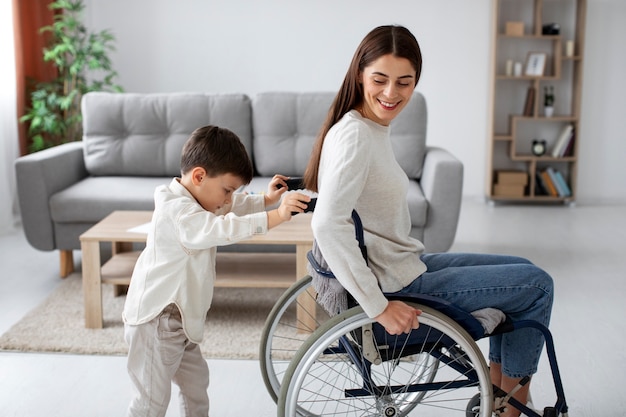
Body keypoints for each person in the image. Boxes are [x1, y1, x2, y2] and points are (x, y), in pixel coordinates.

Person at [303, 25, 553, 417]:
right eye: (380, 80)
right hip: (398, 283)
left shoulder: (365, 126)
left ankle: (499, 395)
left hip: (403, 265)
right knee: (537, 286)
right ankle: (510, 407)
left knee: (525, 270)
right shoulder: (355, 136)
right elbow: (326, 224)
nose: (391, 93)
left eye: (405, 82)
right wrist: (378, 307)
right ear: (359, 75)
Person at [122, 125, 310, 417]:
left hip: (181, 323)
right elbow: (222, 227)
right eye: (227, 189)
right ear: (199, 176)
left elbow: (230, 207)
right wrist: (276, 216)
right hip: (156, 323)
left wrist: (266, 200)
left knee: (196, 386)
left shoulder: (198, 199)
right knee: (151, 402)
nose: (228, 198)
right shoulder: (180, 213)